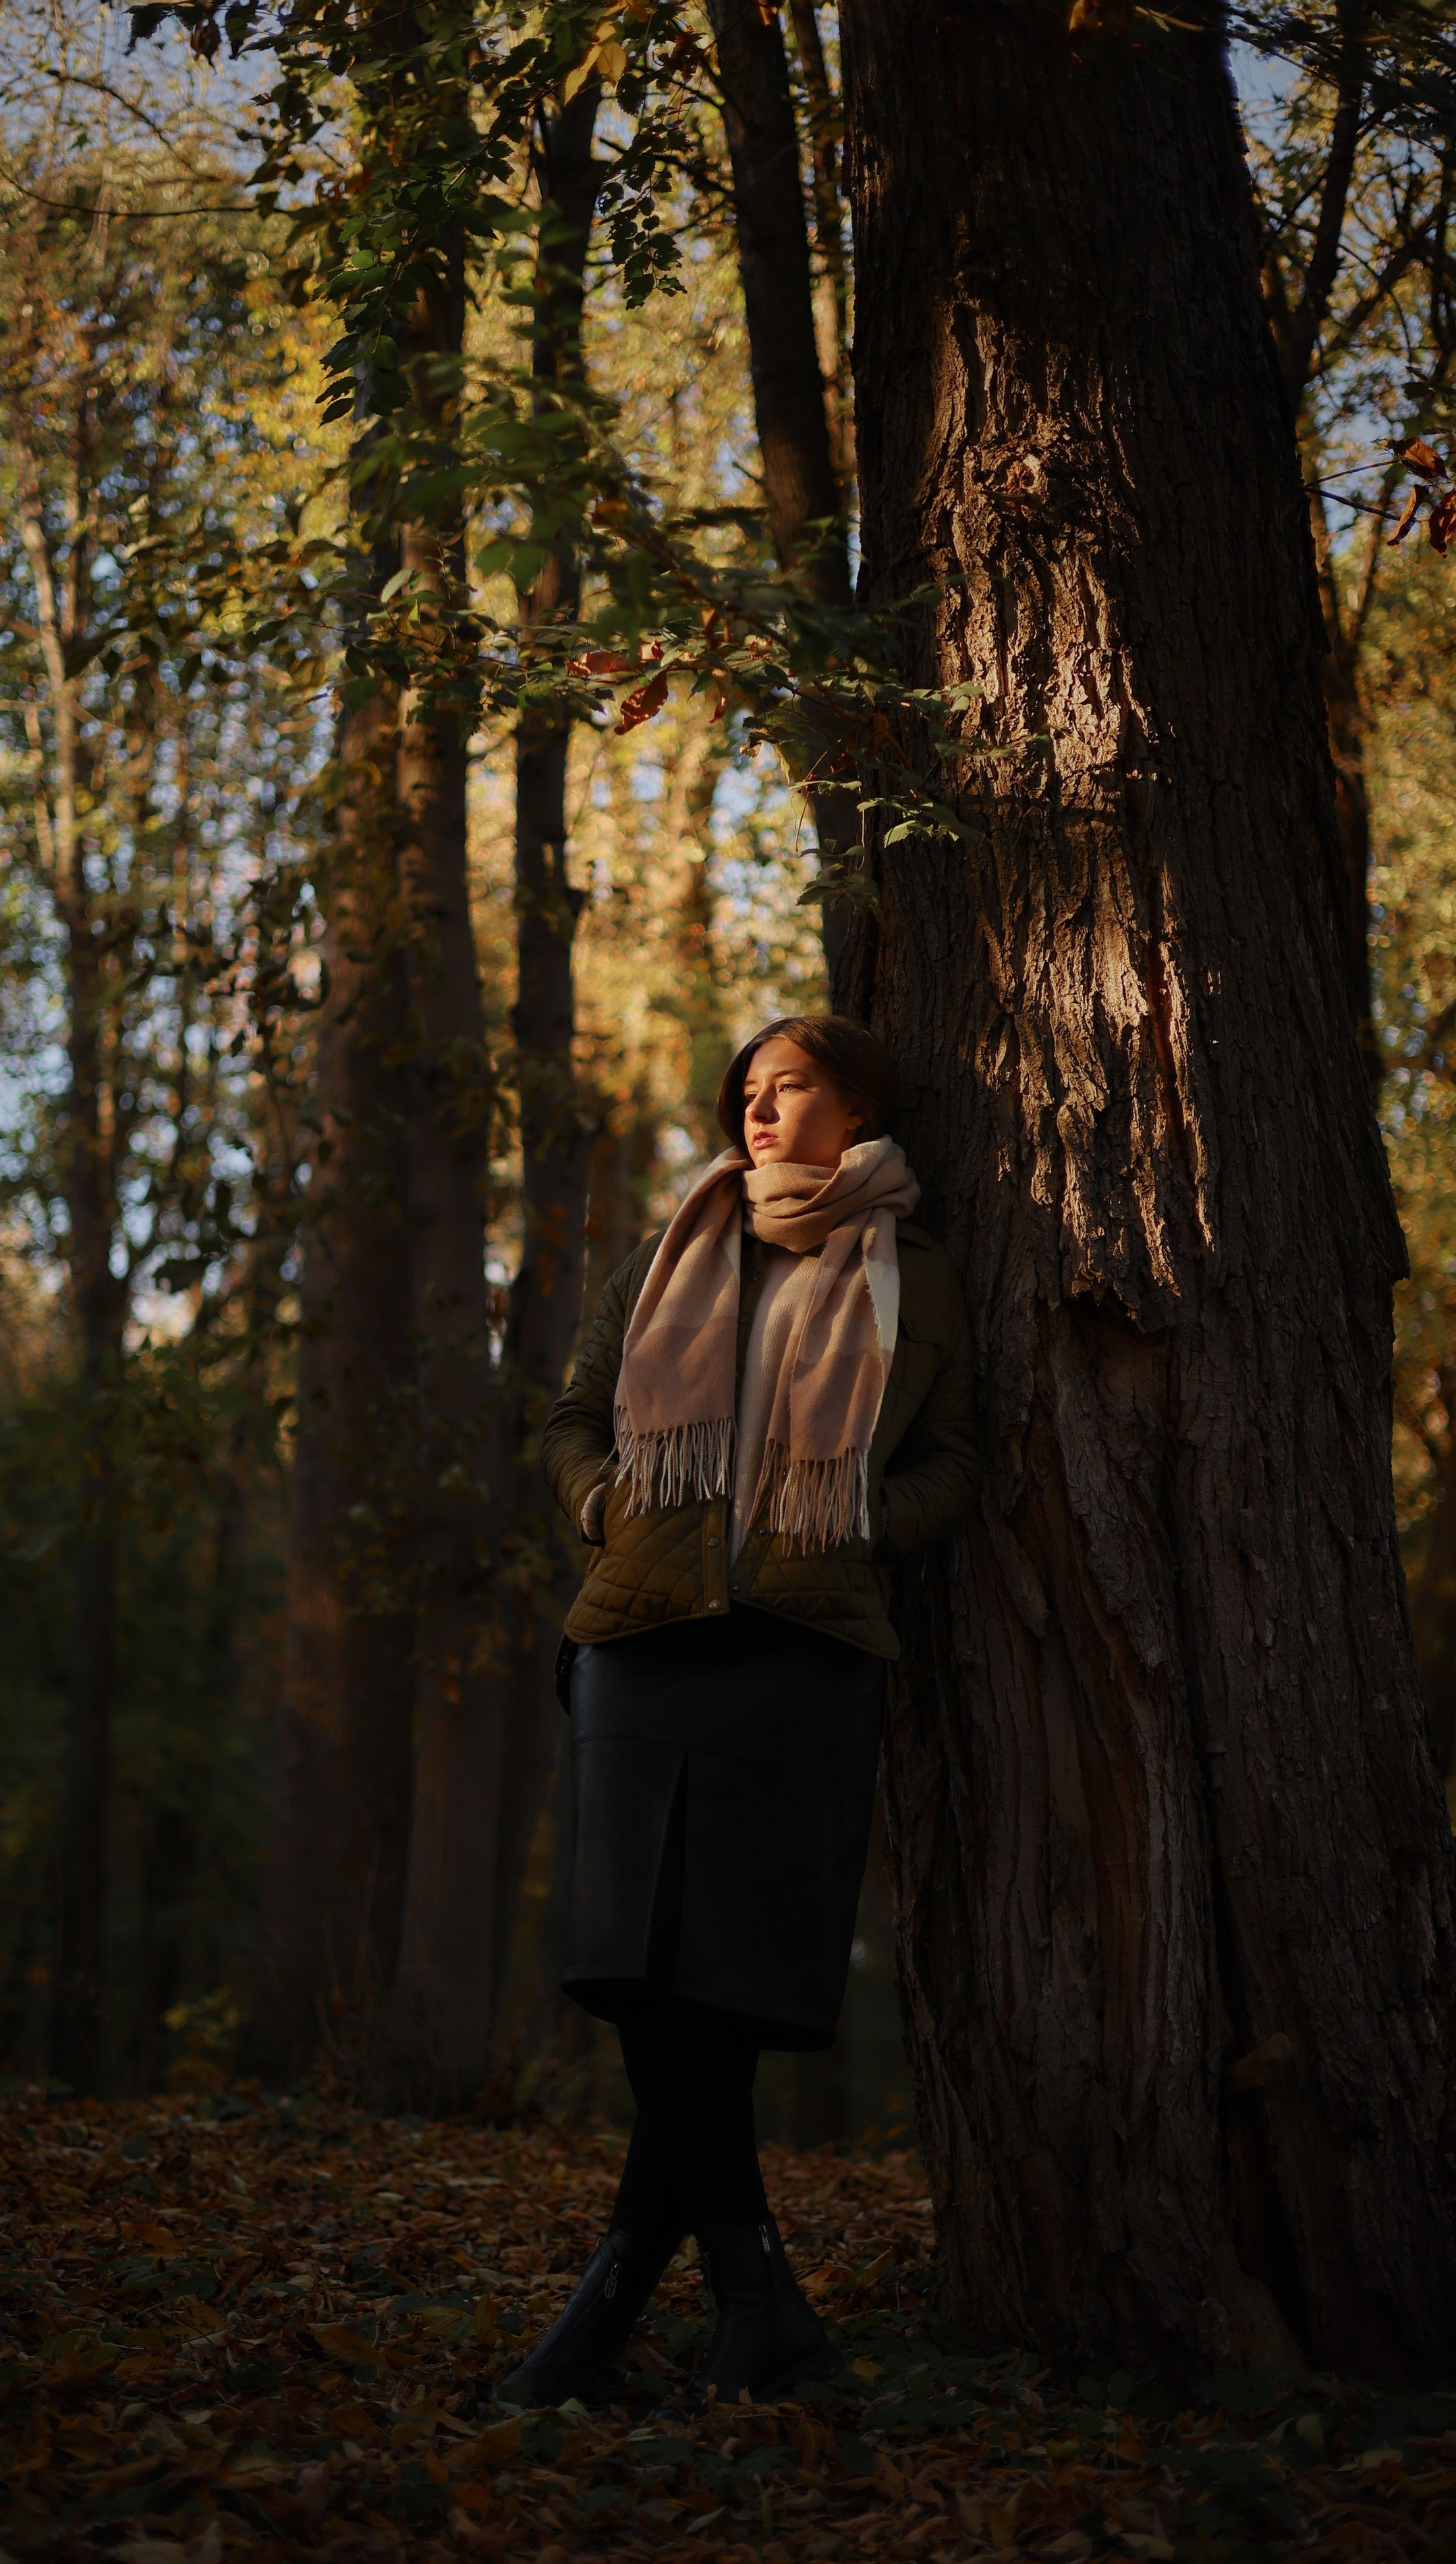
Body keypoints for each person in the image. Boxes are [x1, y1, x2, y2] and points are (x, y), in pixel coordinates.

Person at [499, 1014, 982, 2413]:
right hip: (641, 1645)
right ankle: (752, 2301)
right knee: (634, 1973)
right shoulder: (675, 1249)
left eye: (789, 1090)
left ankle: (609, 2329)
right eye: (746, 1094)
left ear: (857, 1110)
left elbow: (958, 1455)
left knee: (714, 1986)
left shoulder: (916, 1272)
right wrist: (602, 1506)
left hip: (801, 1652)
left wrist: (855, 1530)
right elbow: (571, 1416)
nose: (758, 1113)